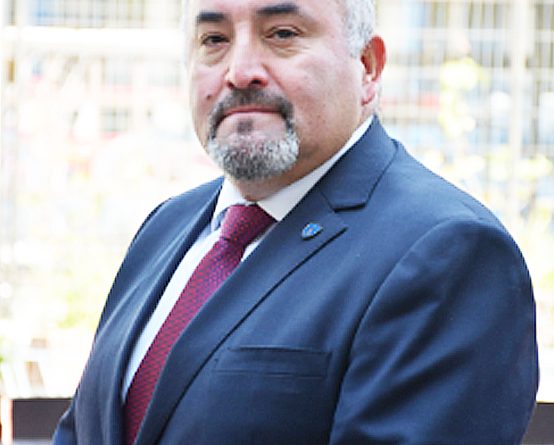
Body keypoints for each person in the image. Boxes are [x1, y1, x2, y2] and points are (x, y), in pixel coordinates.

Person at [53, 0, 538, 443]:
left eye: (282, 34)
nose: (240, 72)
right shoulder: (166, 227)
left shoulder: (449, 252)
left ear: (367, 67)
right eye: (214, 40)